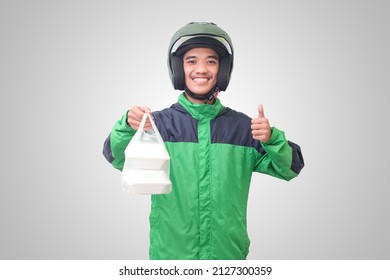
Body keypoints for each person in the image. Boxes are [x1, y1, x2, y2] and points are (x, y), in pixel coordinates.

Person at [103, 22, 304, 260]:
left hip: (227, 259)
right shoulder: (158, 125)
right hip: (172, 260)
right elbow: (116, 156)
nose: (201, 69)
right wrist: (127, 126)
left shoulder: (243, 129)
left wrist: (272, 139)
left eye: (211, 61)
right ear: (178, 68)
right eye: (191, 61)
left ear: (223, 69)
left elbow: (290, 168)